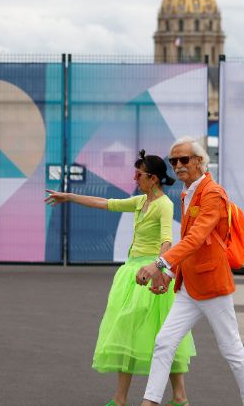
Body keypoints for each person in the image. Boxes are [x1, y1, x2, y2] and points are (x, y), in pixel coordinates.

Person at [45, 150, 195, 406]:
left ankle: (178, 396)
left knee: (164, 335)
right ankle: (121, 398)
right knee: (127, 333)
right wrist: (69, 197)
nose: (135, 178)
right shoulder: (140, 202)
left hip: (149, 275)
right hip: (130, 274)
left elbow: (167, 241)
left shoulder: (164, 205)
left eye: (140, 174)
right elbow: (105, 203)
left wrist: (157, 269)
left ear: (154, 179)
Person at [135, 136, 244, 406]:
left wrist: (158, 264)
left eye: (184, 159)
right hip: (189, 287)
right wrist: (169, 275)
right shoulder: (187, 192)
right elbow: (188, 244)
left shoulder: (213, 193)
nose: (178, 165)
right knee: (164, 342)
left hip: (213, 285)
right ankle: (150, 402)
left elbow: (196, 239)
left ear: (200, 161)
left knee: (231, 350)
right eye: (173, 161)